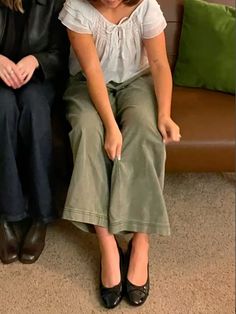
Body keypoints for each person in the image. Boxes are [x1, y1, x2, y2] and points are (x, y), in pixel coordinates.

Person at [59, 0, 180, 308]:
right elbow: (92, 70)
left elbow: (159, 64)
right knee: (88, 132)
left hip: (137, 82)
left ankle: (141, 240)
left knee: (145, 131)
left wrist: (164, 114)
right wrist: (111, 127)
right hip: (88, 83)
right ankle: (107, 244)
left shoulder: (147, 7)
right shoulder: (76, 8)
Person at [0, 0, 68, 264]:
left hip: (40, 79)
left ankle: (41, 214)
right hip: (0, 81)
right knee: (3, 108)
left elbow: (65, 52)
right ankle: (7, 212)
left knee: (33, 107)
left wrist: (36, 60)